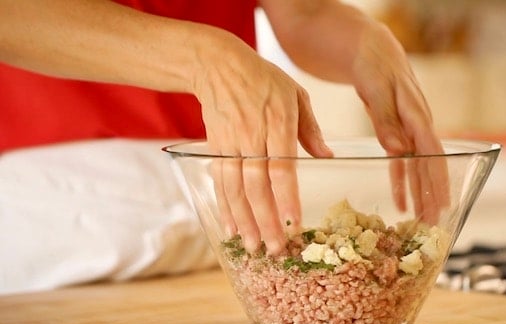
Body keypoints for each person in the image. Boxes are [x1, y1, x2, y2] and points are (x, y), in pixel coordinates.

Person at [0, 0, 447, 258]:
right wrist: (204, 57)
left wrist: (369, 42)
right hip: (50, 219)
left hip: (215, 213)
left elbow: (304, 13)